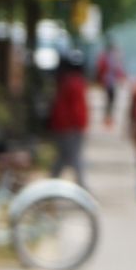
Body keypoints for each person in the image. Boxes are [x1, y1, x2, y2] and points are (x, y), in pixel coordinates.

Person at [46, 53, 90, 187]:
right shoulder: (75, 83)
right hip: (70, 127)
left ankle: (51, 183)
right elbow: (76, 108)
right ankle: (82, 186)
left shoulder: (64, 81)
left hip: (63, 126)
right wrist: (79, 125)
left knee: (64, 157)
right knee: (74, 157)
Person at [94, 42, 125, 128]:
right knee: (110, 100)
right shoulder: (113, 58)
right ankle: (108, 118)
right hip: (110, 82)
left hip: (108, 81)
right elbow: (118, 69)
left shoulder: (106, 57)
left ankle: (108, 117)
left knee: (109, 100)